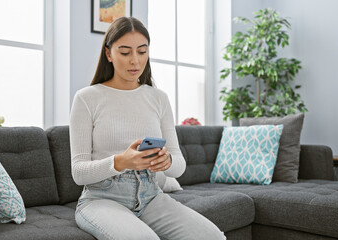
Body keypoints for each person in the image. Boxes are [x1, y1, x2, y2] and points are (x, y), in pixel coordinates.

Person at [69, 16, 226, 240]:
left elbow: (178, 167)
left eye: (142, 51)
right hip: (101, 199)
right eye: (125, 52)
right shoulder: (87, 98)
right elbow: (79, 172)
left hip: (151, 195)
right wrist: (120, 162)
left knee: (214, 237)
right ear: (108, 54)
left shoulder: (158, 98)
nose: (135, 60)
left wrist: (167, 162)